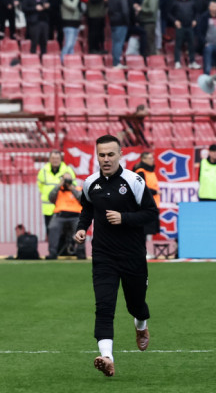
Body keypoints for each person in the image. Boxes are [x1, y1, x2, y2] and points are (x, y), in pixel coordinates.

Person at [74, 135, 159, 377]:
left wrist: (125, 218)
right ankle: (107, 357)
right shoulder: (90, 183)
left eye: (111, 154)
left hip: (132, 255)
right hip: (103, 255)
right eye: (102, 155)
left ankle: (141, 326)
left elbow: (151, 214)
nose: (106, 159)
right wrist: (82, 228)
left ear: (120, 155)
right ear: (97, 156)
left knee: (136, 305)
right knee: (104, 306)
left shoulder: (134, 181)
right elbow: (87, 208)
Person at [46, 172, 86, 259]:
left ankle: (81, 253)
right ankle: (52, 253)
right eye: (65, 180)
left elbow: (82, 199)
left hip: (75, 216)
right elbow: (50, 197)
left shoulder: (77, 188)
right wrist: (59, 185)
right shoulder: (59, 190)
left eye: (68, 180)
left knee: (81, 228)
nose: (67, 182)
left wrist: (72, 189)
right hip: (60, 215)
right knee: (53, 227)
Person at [37, 150, 77, 234]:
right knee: (50, 233)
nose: (55, 160)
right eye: (53, 158)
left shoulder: (68, 170)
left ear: (61, 159)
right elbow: (40, 187)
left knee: (64, 234)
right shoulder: (43, 171)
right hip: (48, 209)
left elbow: (73, 186)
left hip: (64, 208)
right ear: (49, 159)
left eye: (57, 158)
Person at [133, 152, 161, 236]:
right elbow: (141, 187)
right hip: (144, 205)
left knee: (150, 229)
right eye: (150, 158)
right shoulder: (140, 172)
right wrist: (155, 192)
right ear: (143, 159)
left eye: (152, 158)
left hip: (153, 203)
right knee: (144, 229)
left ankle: (145, 248)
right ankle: (142, 248)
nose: (152, 160)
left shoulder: (150, 171)